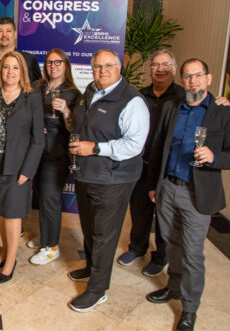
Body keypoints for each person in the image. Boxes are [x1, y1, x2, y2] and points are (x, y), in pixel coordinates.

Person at [146, 58, 230, 331]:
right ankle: (174, 286)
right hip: (168, 187)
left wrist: (214, 157)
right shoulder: (171, 108)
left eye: (198, 76)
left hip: (196, 194)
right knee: (170, 243)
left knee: (192, 252)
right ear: (182, 80)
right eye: (188, 76)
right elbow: (159, 149)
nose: (193, 81)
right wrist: (154, 185)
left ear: (209, 79)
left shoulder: (224, 113)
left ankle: (189, 310)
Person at [67, 49, 149, 312]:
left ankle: (98, 289)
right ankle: (92, 268)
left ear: (119, 68)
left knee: (104, 234)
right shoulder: (90, 92)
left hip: (113, 179)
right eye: (97, 66)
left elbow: (134, 145)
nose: (102, 71)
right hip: (87, 174)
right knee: (90, 227)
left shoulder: (132, 101)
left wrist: (95, 148)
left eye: (108, 66)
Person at [0, 51, 44, 283]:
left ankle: (11, 261)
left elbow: (38, 140)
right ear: (0, 71)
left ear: (22, 71)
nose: (10, 72)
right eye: (6, 67)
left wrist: (28, 170)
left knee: (13, 215)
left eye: (15, 68)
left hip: (18, 168)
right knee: (1, 213)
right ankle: (4, 252)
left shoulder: (31, 98)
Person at [0, 16, 42, 230]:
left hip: (18, 128)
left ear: (15, 34)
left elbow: (36, 89)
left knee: (14, 184)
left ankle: (14, 221)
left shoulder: (29, 59)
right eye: (0, 31)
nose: (4, 34)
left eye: (8, 31)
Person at [28, 49, 81, 265]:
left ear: (65, 65)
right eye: (49, 63)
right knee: (42, 196)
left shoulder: (73, 93)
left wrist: (67, 112)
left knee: (50, 198)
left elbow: (76, 128)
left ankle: (51, 248)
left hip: (57, 153)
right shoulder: (37, 87)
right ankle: (47, 236)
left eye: (58, 62)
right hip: (35, 150)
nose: (53, 66)